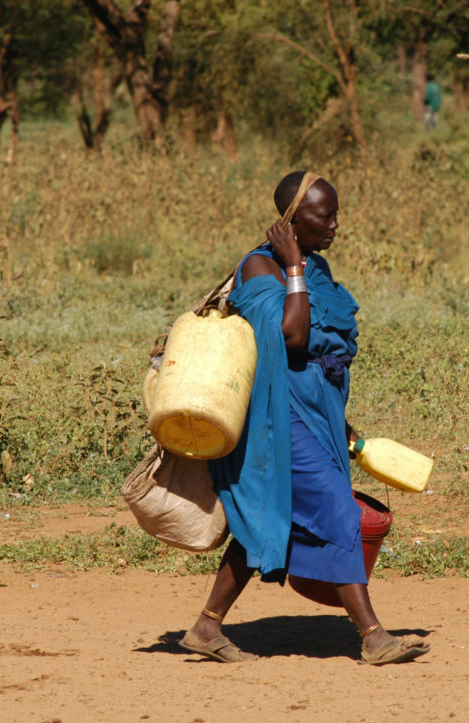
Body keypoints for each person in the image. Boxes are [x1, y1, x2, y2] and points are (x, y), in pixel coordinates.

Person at [179, 171, 431, 666]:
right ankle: (374, 636)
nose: (335, 224)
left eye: (336, 214)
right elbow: (293, 338)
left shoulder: (315, 267)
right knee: (338, 509)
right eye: (325, 216)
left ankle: (207, 626)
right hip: (277, 419)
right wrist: (292, 265)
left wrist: (341, 422)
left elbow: (327, 350)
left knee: (270, 518)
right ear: (292, 222)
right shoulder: (260, 268)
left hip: (317, 413)